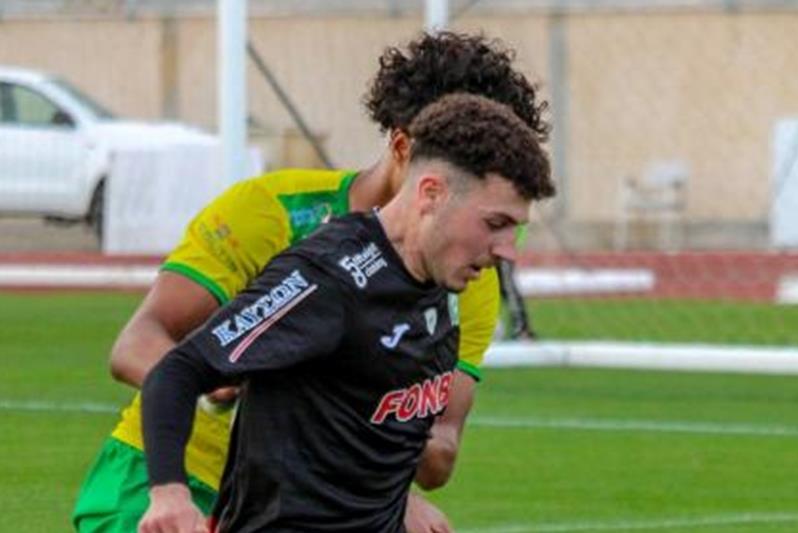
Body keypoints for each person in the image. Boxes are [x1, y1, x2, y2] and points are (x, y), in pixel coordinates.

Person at [72, 32, 550, 533]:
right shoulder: (274, 212)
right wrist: (242, 387)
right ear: (405, 146)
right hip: (167, 475)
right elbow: (139, 345)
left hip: (308, 503)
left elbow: (438, 452)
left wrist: (381, 483)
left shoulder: (465, 279)